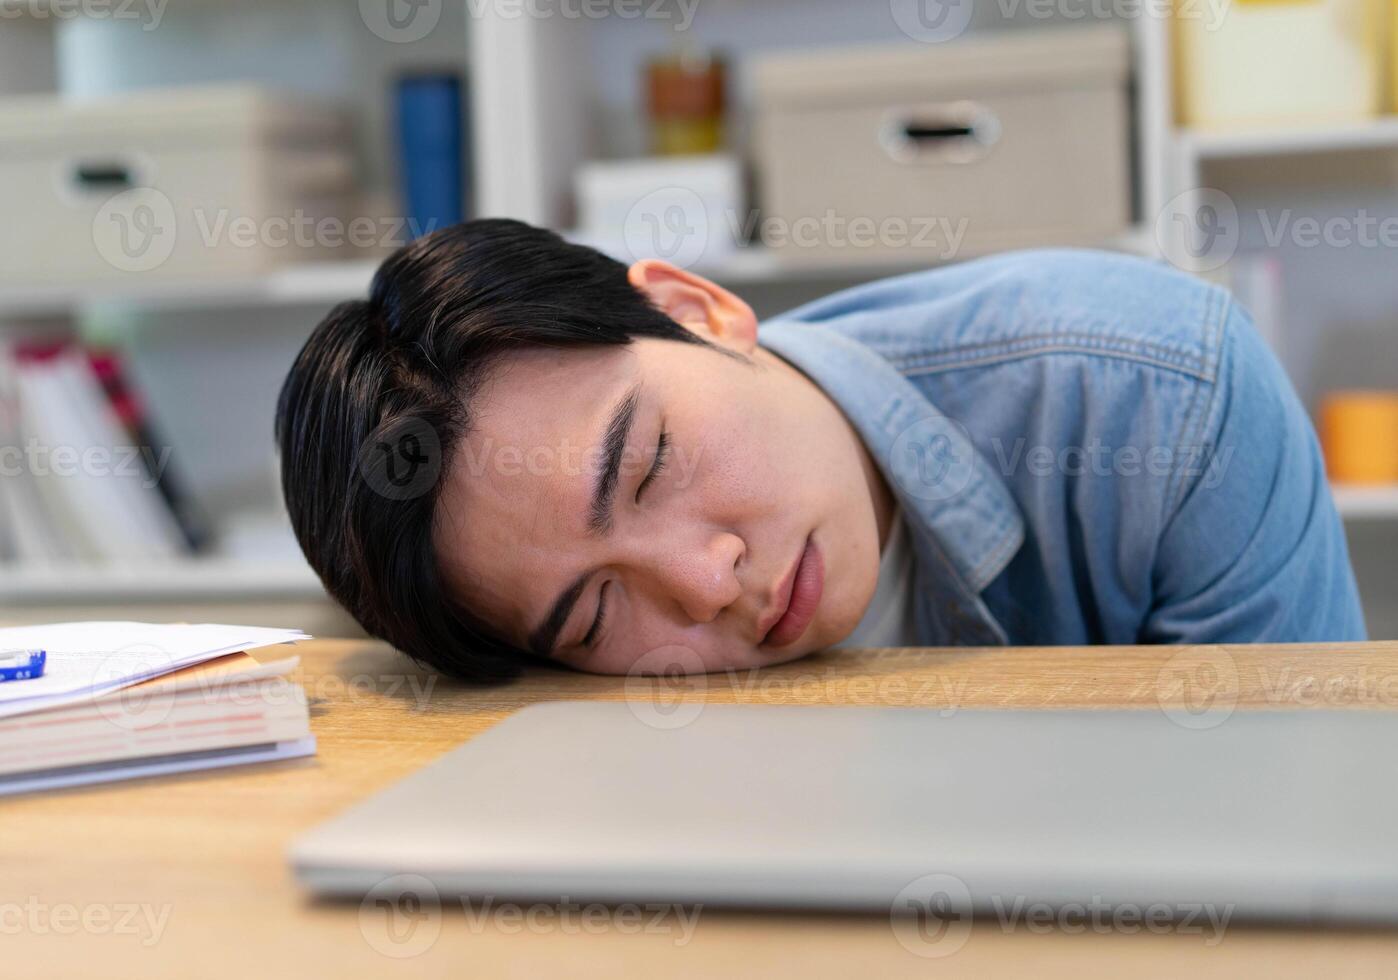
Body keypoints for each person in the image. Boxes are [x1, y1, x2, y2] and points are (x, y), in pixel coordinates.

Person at [276, 219, 1366, 681]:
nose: (707, 586)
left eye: (650, 462)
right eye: (598, 614)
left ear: (697, 308)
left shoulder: (1160, 394)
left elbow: (1306, 834)